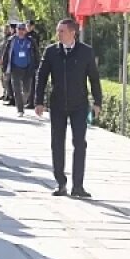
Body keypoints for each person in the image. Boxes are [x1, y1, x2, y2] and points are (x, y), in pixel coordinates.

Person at [34, 18, 103, 199]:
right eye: (58, 31)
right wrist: (38, 100)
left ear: (73, 33)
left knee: (80, 143)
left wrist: (98, 102)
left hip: (79, 105)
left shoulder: (85, 52)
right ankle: (61, 183)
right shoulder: (51, 52)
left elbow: (94, 78)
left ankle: (78, 185)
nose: (59, 34)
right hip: (57, 104)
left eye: (62, 31)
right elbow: (41, 77)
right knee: (57, 143)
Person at [2, 20, 38, 116]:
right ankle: (20, 110)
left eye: (23, 29)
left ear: (25, 30)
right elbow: (6, 54)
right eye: (19, 29)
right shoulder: (11, 40)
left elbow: (36, 53)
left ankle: (23, 101)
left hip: (27, 68)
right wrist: (4, 67)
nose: (21, 31)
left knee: (27, 90)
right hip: (15, 68)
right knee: (17, 89)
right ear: (16, 30)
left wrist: (36, 65)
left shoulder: (30, 41)